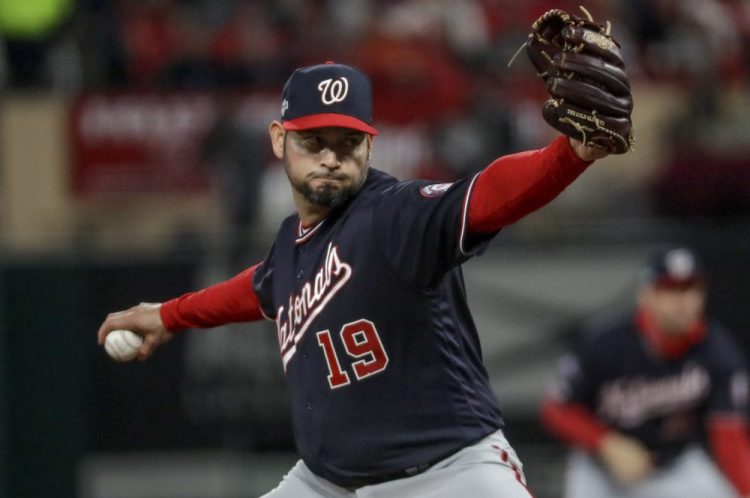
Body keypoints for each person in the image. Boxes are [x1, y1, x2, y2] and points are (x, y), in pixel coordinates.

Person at [97, 61, 609, 498]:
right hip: (328, 483)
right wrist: (167, 315)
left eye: (348, 143)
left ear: (370, 144)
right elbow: (262, 287)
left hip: (447, 475)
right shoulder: (292, 245)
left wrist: (570, 155)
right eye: (313, 140)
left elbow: (486, 195)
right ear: (279, 139)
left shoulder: (394, 215)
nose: (330, 157)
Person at [540, 246, 750, 498]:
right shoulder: (605, 342)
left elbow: (729, 437)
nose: (683, 300)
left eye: (691, 289)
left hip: (676, 467)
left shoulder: (717, 351)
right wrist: (607, 443)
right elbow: (555, 409)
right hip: (602, 468)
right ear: (646, 295)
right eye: (670, 289)